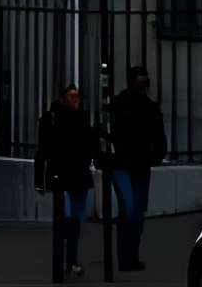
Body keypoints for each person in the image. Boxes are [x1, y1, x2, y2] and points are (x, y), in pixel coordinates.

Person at [108, 67, 167, 274]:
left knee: (133, 212)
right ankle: (129, 257)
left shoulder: (120, 103)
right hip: (134, 164)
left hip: (128, 163)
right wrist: (155, 155)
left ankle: (128, 257)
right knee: (133, 212)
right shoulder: (146, 107)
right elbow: (159, 139)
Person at [34, 80, 94, 281]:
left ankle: (70, 259)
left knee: (73, 218)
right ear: (63, 99)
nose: (76, 101)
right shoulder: (55, 119)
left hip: (74, 173)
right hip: (68, 174)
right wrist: (39, 179)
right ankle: (70, 259)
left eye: (77, 97)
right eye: (72, 97)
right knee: (70, 217)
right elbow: (43, 150)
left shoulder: (71, 118)